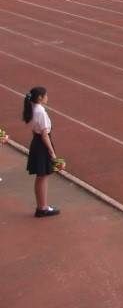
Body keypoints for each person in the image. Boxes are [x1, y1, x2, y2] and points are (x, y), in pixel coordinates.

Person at [24, 86, 60, 217]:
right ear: (40, 98)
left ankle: (41, 206)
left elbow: (35, 130)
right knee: (43, 176)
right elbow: (45, 135)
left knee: (40, 177)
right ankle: (42, 207)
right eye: (46, 95)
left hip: (36, 142)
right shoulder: (41, 112)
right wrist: (52, 152)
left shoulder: (32, 108)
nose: (47, 97)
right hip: (42, 145)